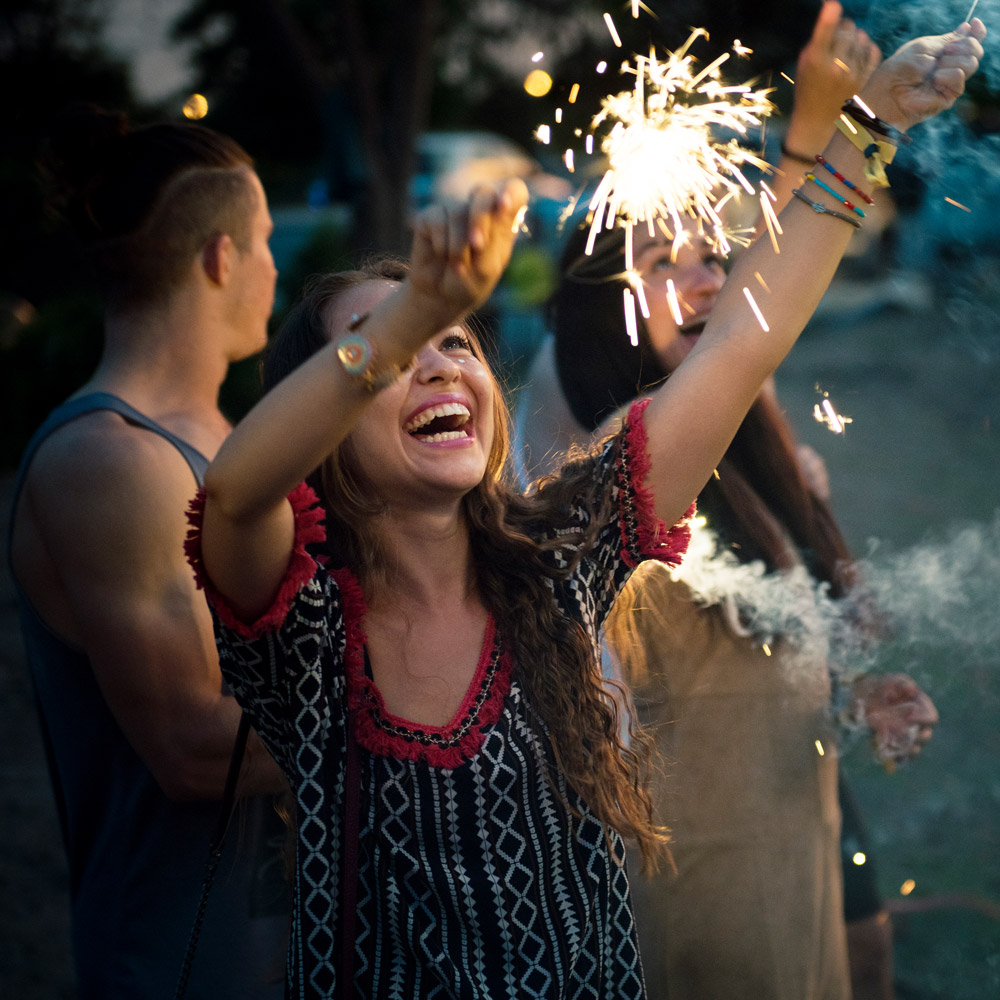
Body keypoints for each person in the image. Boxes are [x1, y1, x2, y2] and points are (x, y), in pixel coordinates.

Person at [183, 18, 982, 999]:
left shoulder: (560, 556)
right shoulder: (305, 628)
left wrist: (866, 129)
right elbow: (234, 491)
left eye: (457, 344)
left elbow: (741, 337)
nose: (436, 358)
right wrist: (410, 315)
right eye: (392, 350)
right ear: (326, 423)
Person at [515, 6, 944, 999]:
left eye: (707, 254)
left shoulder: (737, 415)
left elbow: (769, 297)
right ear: (603, 309)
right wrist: (849, 129)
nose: (707, 279)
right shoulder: (625, 461)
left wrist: (847, 688)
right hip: (700, 865)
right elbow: (760, 315)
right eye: (659, 266)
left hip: (793, 814)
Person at [8, 105, 291, 999]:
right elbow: (191, 748)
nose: (276, 268)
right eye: (266, 242)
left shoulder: (224, 438)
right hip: (180, 960)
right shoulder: (109, 457)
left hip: (284, 939)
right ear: (219, 257)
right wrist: (418, 703)